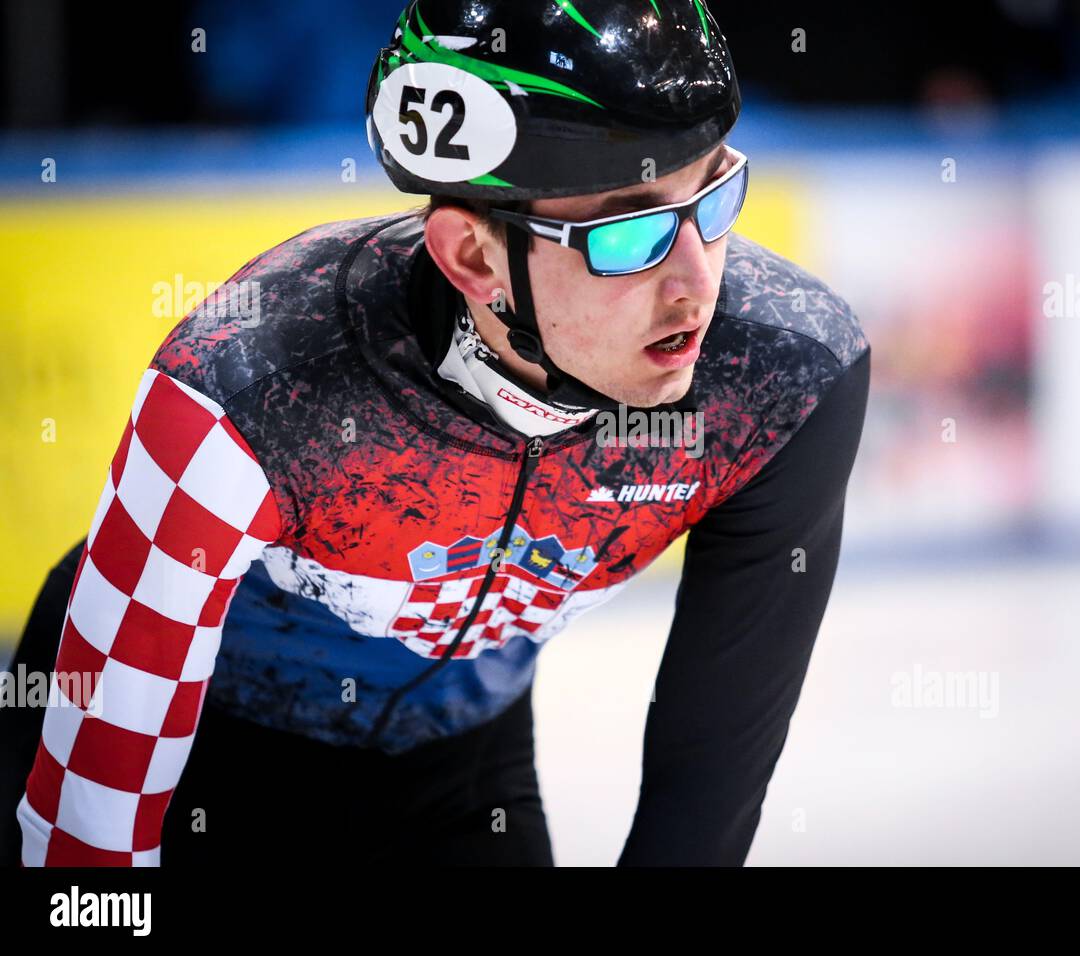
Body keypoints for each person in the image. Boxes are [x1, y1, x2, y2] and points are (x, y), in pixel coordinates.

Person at [3, 0, 870, 867]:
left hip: (460, 767)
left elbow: (706, 786)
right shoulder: (255, 386)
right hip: (196, 753)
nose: (697, 282)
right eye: (633, 231)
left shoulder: (780, 381)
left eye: (715, 197)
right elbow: (88, 844)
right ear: (474, 258)